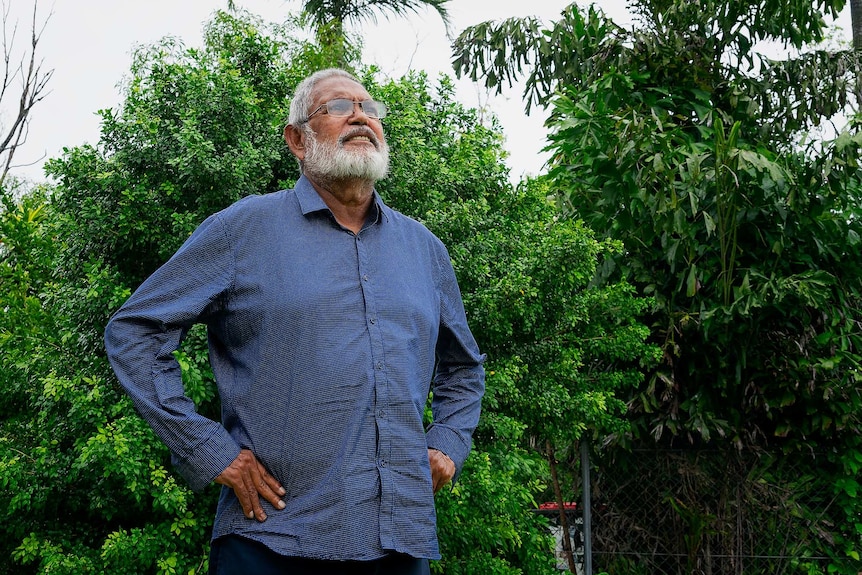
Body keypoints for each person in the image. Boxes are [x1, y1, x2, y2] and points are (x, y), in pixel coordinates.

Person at [104, 67, 486, 575]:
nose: (360, 117)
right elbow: (135, 330)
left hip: (400, 541)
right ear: (297, 140)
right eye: (337, 107)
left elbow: (464, 369)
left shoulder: (424, 249)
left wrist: (448, 441)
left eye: (370, 108)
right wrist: (210, 449)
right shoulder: (243, 230)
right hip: (270, 539)